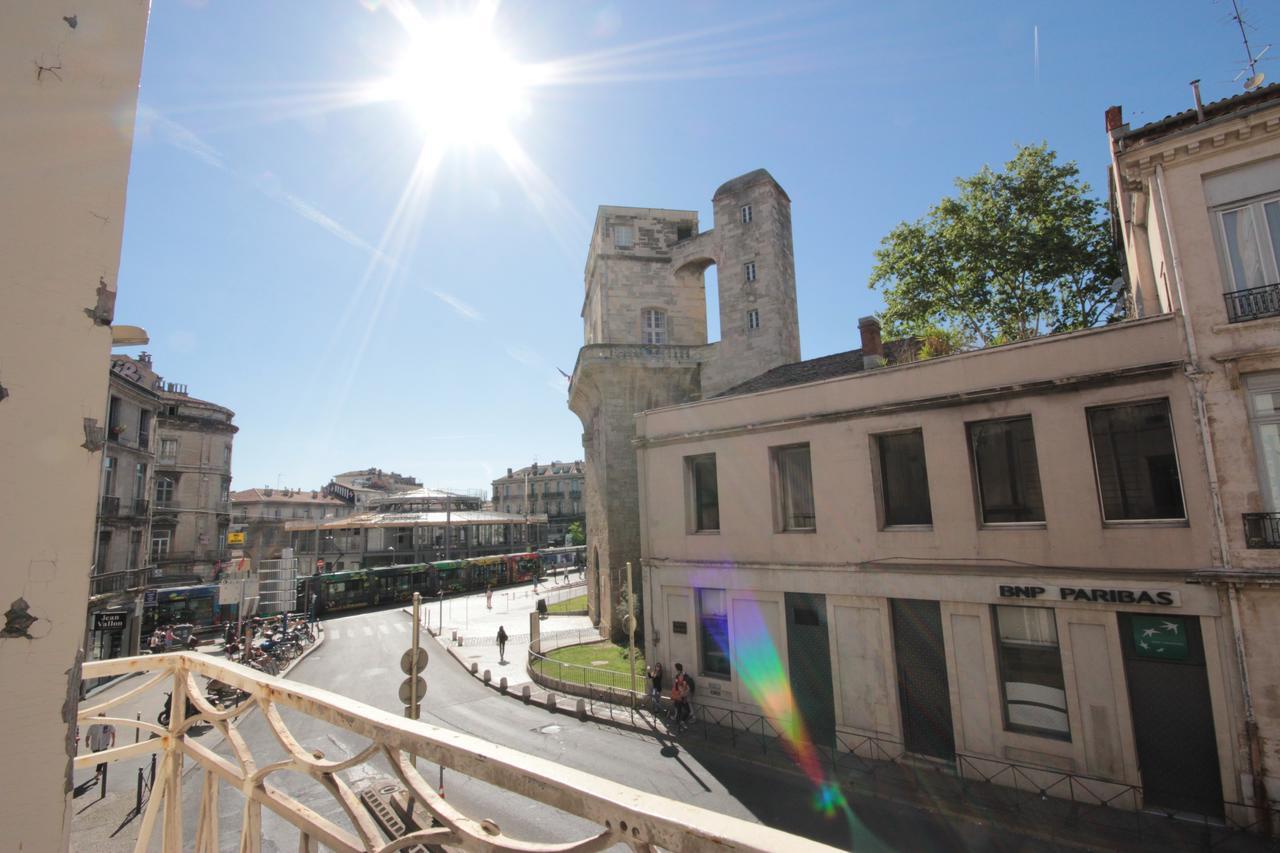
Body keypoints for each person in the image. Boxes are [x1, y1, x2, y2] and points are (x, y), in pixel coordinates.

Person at [86, 713, 115, 778]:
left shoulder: (108, 724)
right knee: (97, 758)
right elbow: (88, 734)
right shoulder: (93, 725)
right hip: (95, 745)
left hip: (104, 744)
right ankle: (99, 771)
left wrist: (113, 741)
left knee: (101, 758)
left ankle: (98, 772)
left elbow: (113, 732)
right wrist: (86, 742)